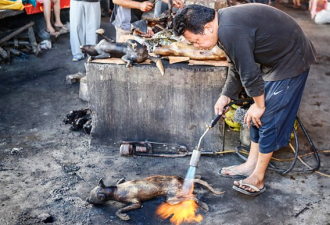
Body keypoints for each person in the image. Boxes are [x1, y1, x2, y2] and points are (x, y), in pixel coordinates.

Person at [173, 4, 316, 196]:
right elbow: (236, 67)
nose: (197, 46)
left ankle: (258, 177)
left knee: (266, 117)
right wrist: (225, 96)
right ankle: (250, 164)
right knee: (256, 113)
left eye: (196, 41)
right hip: (275, 60)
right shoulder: (222, 26)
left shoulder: (229, 30)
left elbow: (249, 73)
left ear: (208, 28)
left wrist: (259, 105)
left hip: (291, 59)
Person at [110, 0, 183, 42]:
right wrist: (139, 5)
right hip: (125, 22)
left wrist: (170, 1)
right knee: (125, 50)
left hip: (138, 21)